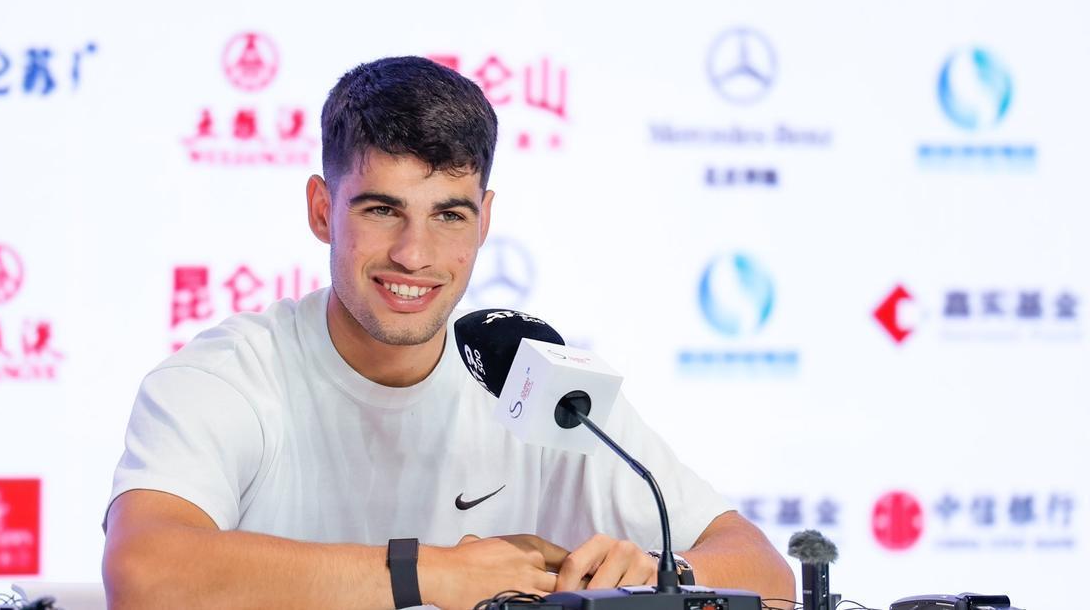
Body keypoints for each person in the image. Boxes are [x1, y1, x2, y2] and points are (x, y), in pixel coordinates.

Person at [102, 56, 794, 610]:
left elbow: (765, 574)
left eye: (449, 216)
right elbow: (146, 574)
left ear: (485, 219)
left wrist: (658, 570)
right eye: (382, 209)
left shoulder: (535, 381)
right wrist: (433, 574)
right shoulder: (232, 373)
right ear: (322, 209)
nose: (415, 253)